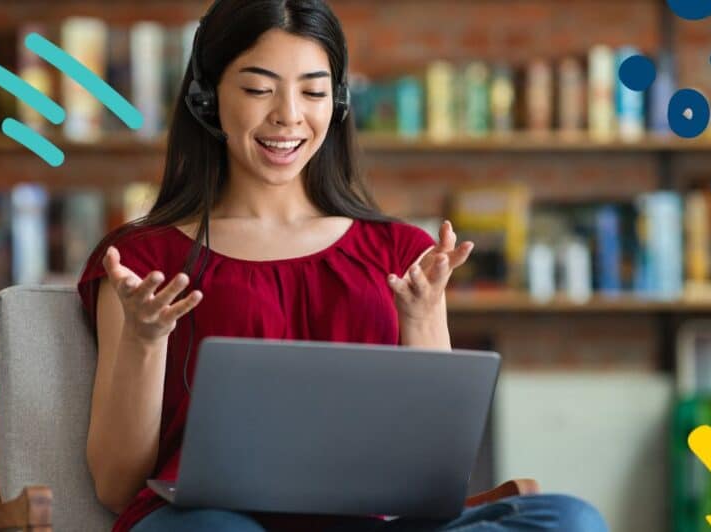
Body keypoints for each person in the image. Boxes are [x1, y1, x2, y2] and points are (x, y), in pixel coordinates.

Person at [77, 1, 608, 530]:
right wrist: (144, 341)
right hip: (204, 521)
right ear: (206, 98)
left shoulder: (400, 253)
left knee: (569, 519)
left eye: (312, 91)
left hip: (363, 522)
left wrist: (422, 319)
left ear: (340, 101)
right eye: (259, 89)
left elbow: (432, 475)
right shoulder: (141, 261)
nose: (289, 115)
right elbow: (117, 486)